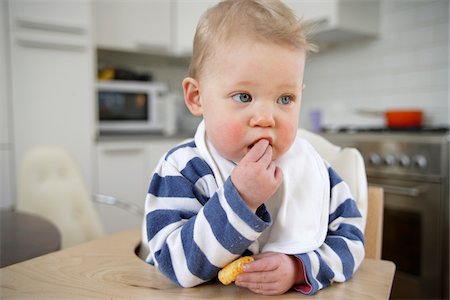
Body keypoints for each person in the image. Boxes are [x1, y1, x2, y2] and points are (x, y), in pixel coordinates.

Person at [140, 0, 365, 296]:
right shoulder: (181, 170)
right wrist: (241, 199)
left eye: (285, 99)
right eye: (244, 96)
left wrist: (300, 267)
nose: (266, 118)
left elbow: (352, 241)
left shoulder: (314, 170)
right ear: (197, 97)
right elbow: (174, 264)